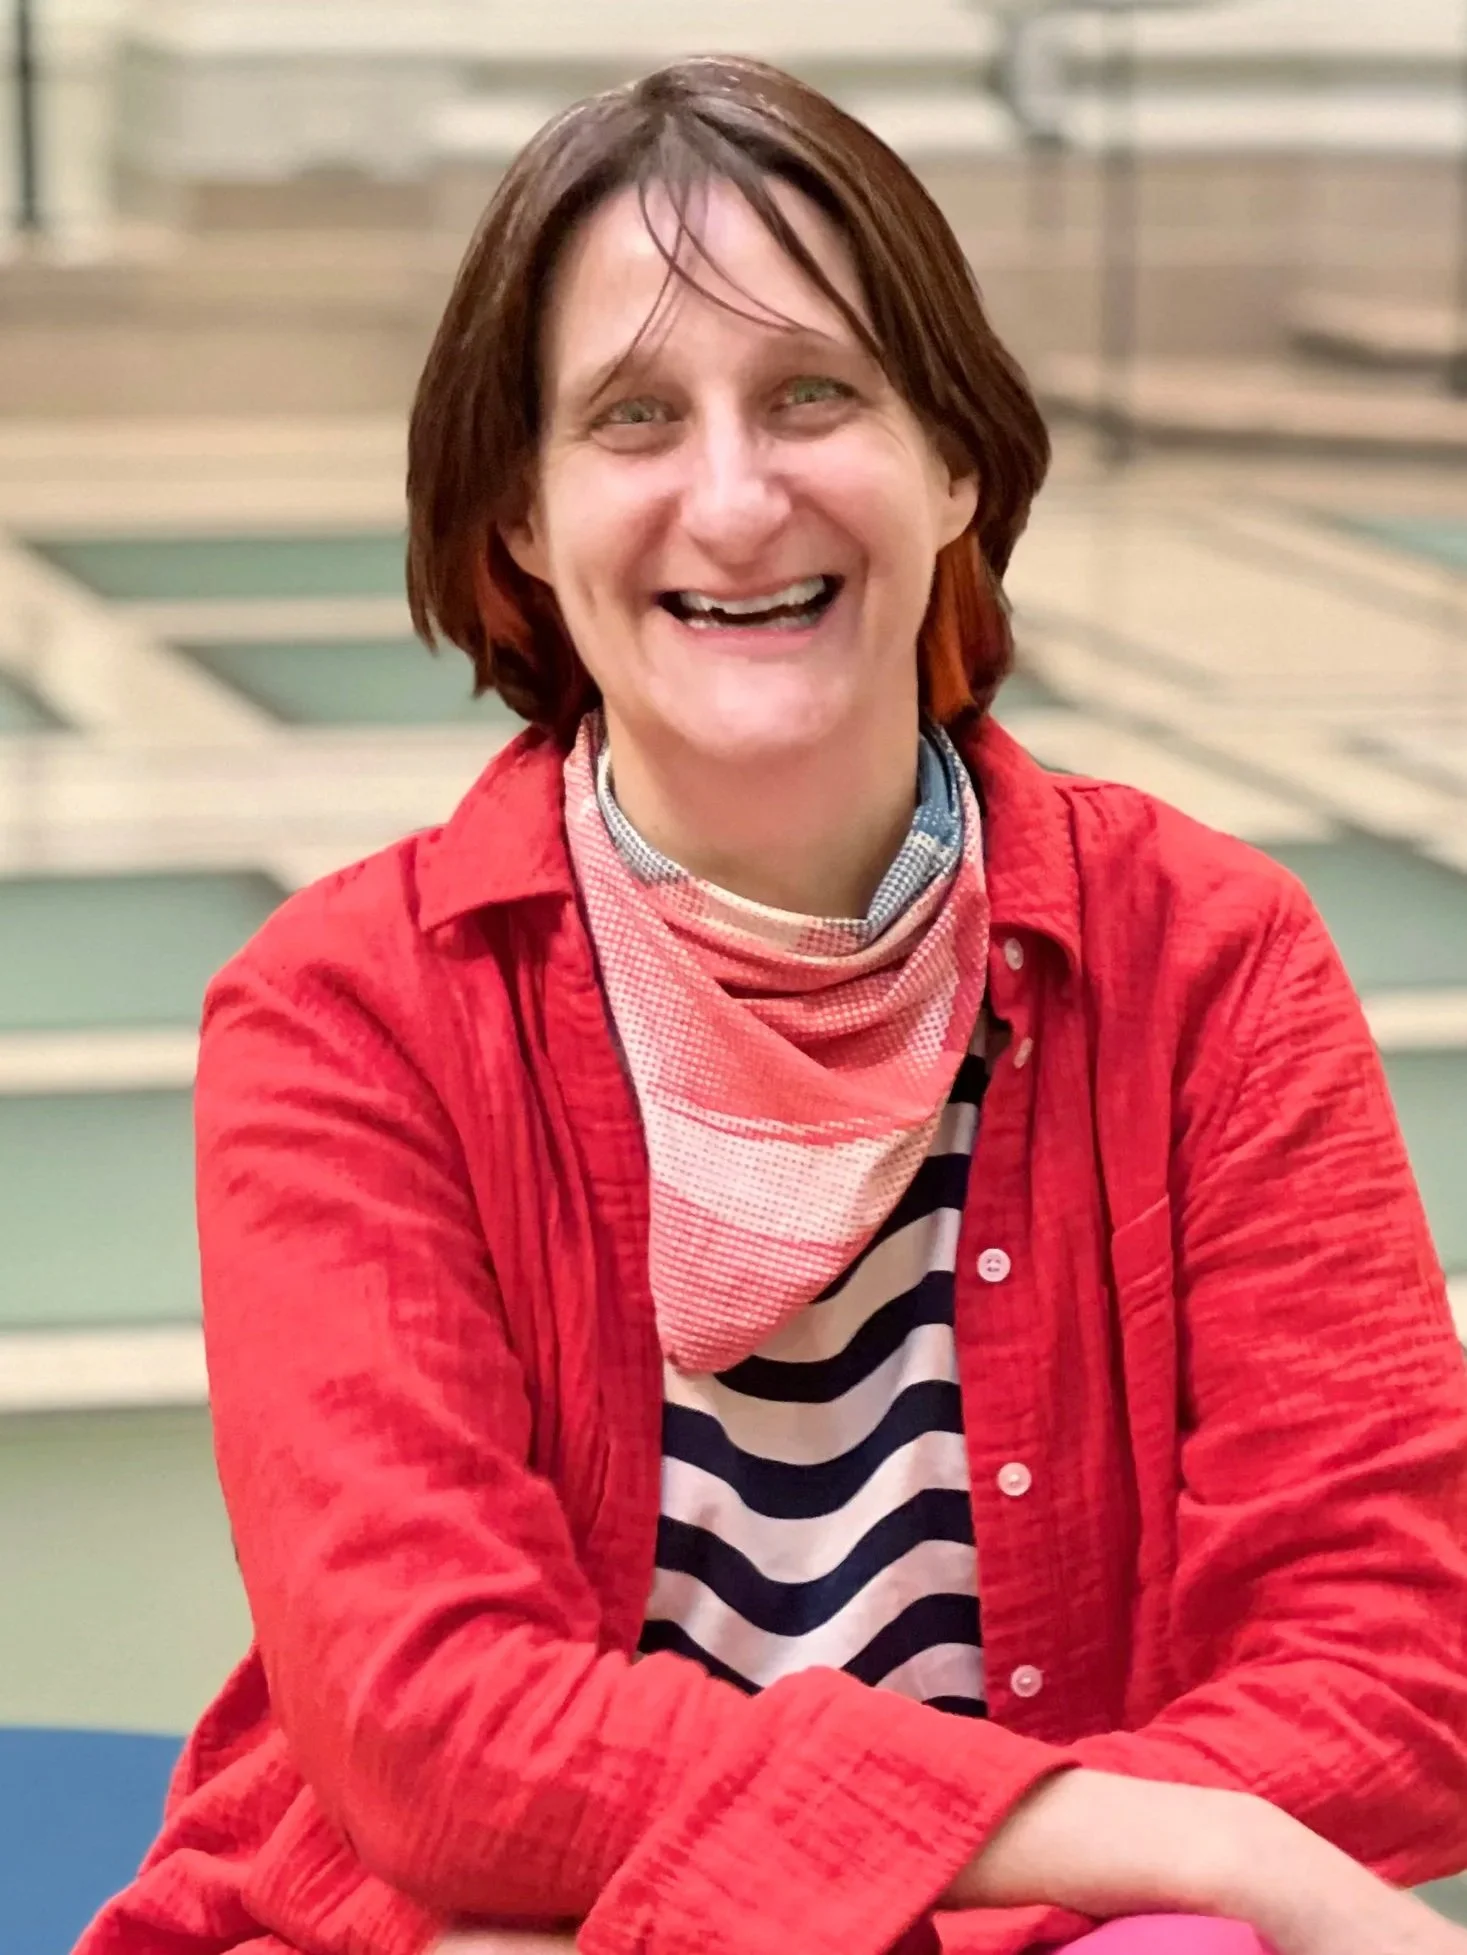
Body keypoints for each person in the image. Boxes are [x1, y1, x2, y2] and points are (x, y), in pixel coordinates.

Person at [77, 55, 1467, 1955]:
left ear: (955, 460)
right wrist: (1181, 1849)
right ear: (519, 528)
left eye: (813, 393)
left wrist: (976, 1905)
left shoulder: (1210, 961)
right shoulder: (350, 1014)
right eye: (634, 418)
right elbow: (439, 1737)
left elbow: (1392, 1653)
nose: (734, 498)